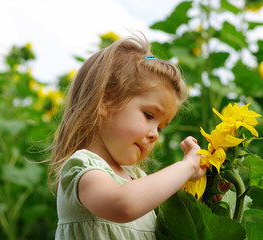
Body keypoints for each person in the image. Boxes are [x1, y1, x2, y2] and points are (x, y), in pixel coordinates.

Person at [48, 33, 206, 240]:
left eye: (160, 128)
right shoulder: (81, 168)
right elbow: (122, 205)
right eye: (149, 115)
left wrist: (206, 197)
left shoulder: (137, 180)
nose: (154, 135)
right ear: (106, 101)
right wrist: (187, 167)